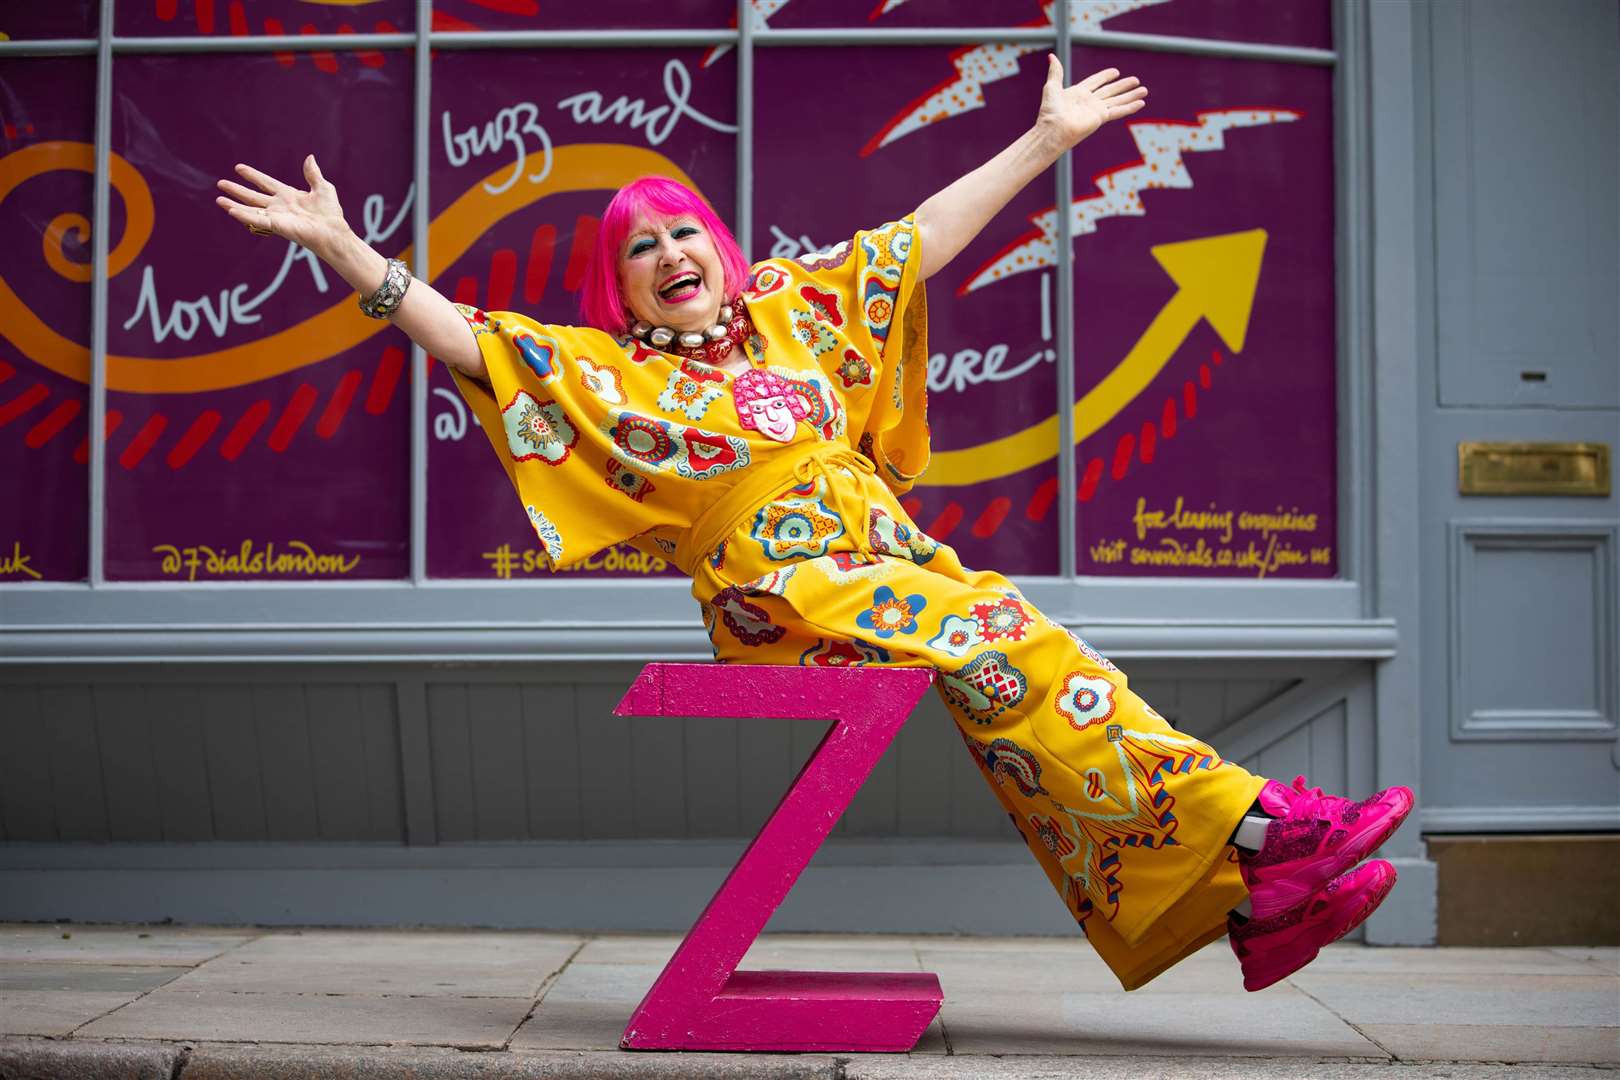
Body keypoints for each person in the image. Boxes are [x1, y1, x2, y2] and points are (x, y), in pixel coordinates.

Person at [215, 55, 1411, 994]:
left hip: (893, 569)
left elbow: (925, 239)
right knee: (1001, 635)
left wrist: (1046, 141)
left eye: (683, 229)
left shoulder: (798, 310)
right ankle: (1261, 834)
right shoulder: (603, 371)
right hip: (781, 594)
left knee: (1025, 666)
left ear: (722, 252)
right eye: (639, 247)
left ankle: (1248, 896)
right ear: (619, 287)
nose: (669, 252)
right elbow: (462, 333)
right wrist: (341, 248)